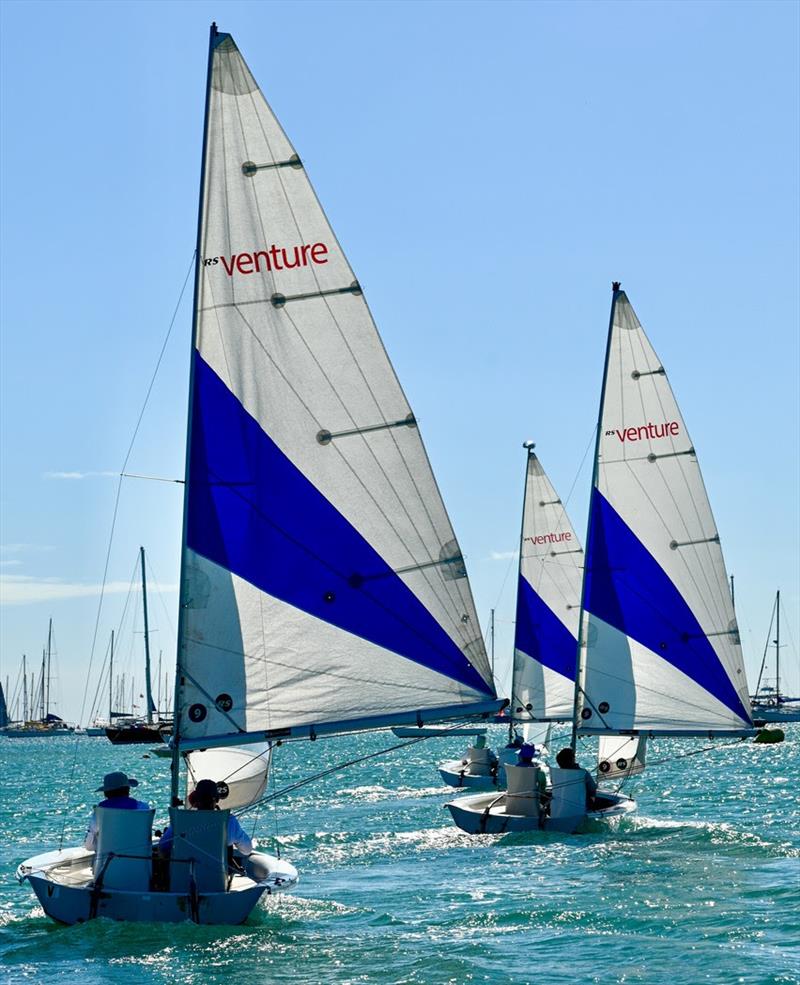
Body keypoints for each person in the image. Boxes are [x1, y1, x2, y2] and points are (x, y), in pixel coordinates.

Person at [158, 779, 254, 857]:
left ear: (196, 799)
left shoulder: (181, 820)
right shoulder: (229, 822)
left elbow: (163, 846)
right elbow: (247, 850)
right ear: (216, 799)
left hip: (182, 879)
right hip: (217, 879)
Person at [84, 771, 150, 851]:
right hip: (139, 861)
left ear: (106, 792)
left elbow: (89, 846)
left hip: (108, 862)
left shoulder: (100, 811)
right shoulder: (143, 807)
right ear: (128, 789)